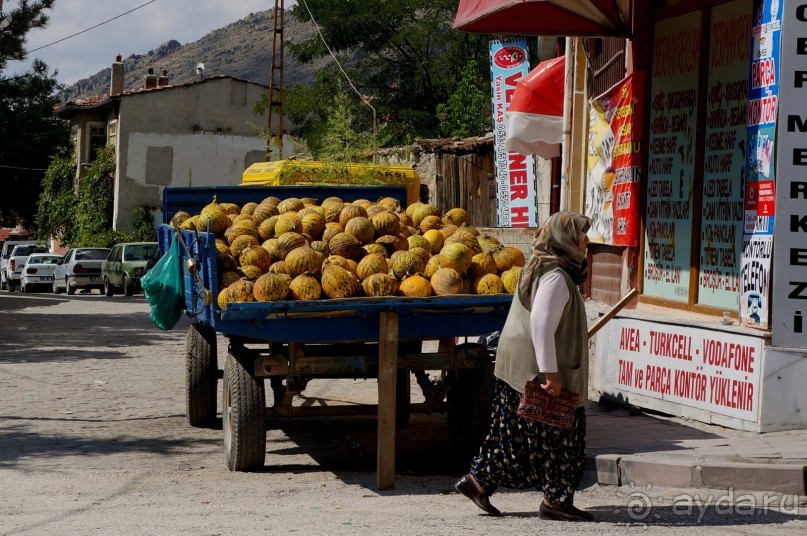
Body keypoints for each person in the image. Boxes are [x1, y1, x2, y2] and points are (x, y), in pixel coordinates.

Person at [454, 211, 594, 522]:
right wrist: (552, 375)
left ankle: (478, 482)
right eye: (581, 235)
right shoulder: (556, 275)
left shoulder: (544, 265)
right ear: (566, 240)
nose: (586, 241)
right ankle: (556, 501)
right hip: (533, 367)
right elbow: (541, 325)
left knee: (513, 433)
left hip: (517, 363)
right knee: (558, 433)